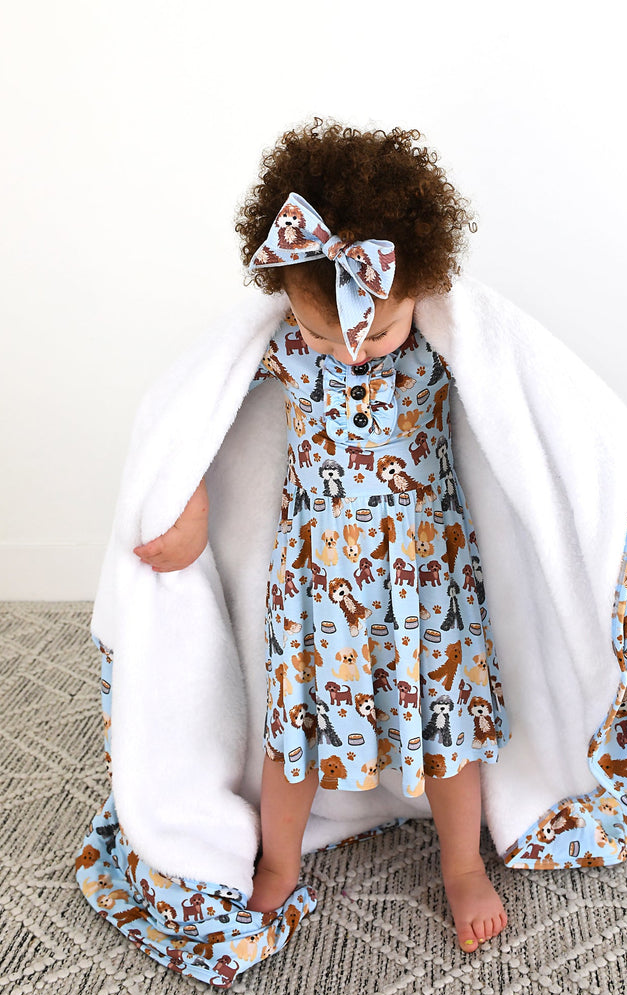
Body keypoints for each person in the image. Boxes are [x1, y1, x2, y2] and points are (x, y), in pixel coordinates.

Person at [132, 119, 509, 952]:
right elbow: (191, 415)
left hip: (426, 585)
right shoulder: (286, 354)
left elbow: (531, 411)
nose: (350, 351)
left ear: (419, 290)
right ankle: (278, 859)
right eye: (322, 331)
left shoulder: (435, 353)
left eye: (376, 330)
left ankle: (461, 864)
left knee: (446, 733)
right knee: (294, 731)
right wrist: (186, 506)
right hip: (317, 590)